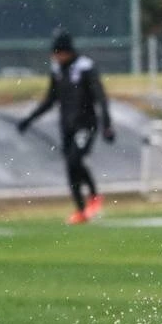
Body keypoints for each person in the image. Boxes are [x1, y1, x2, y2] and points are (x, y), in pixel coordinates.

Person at [17, 29, 115, 225]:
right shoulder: (57, 70)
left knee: (75, 160)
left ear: (67, 51)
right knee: (70, 168)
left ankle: (94, 196)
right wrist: (29, 119)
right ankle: (81, 211)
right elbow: (50, 99)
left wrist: (107, 124)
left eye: (58, 52)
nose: (56, 57)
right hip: (66, 126)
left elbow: (100, 97)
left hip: (86, 124)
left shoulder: (86, 67)